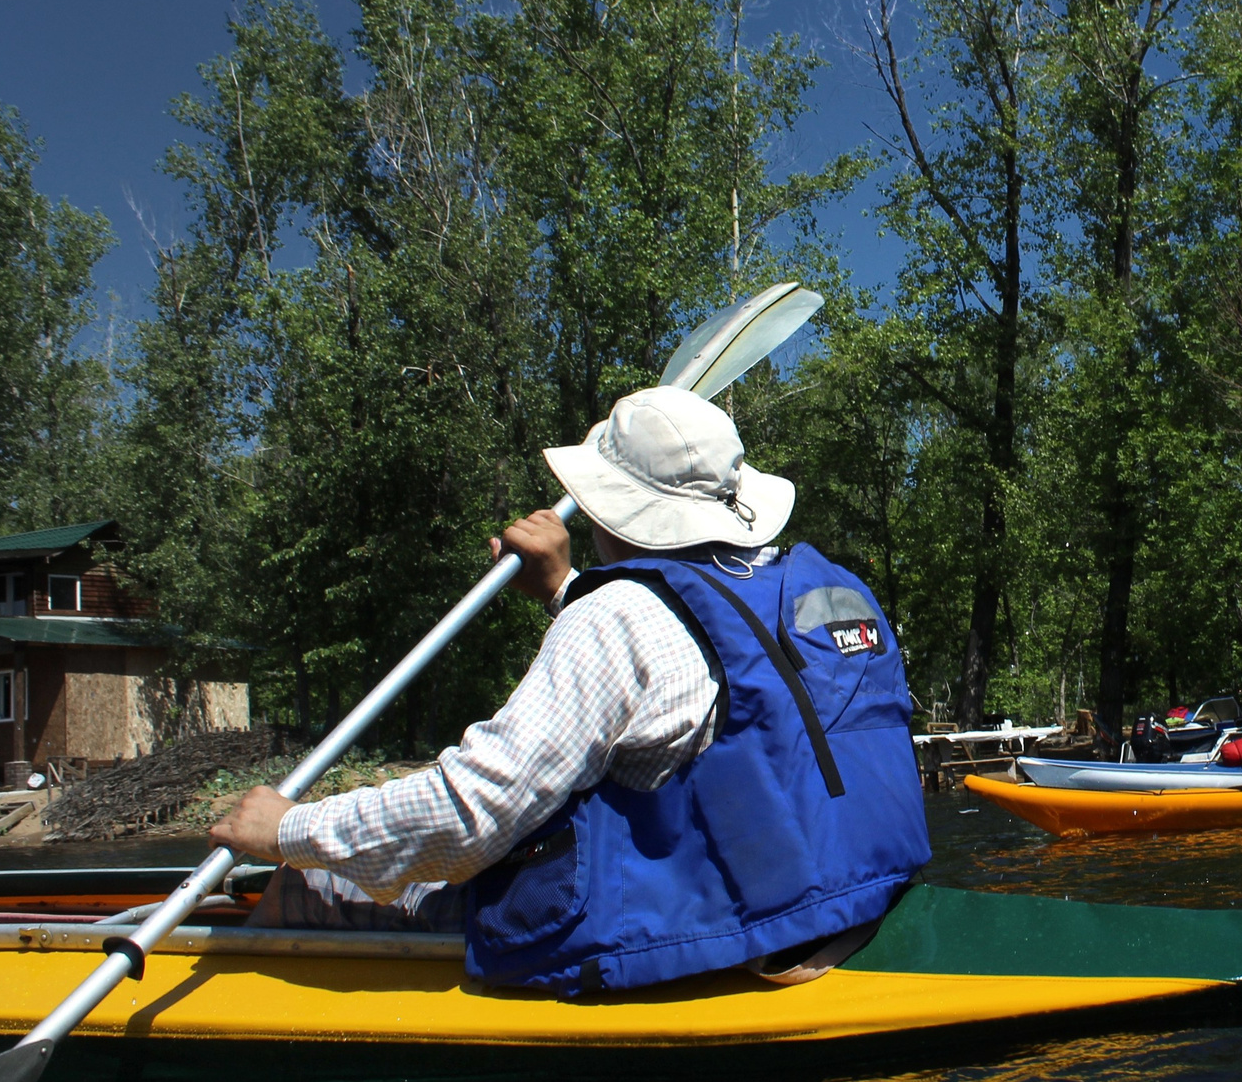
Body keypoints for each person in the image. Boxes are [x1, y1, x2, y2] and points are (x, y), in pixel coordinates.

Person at [209, 385, 932, 994]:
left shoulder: (615, 618)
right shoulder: (806, 590)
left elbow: (470, 815)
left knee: (311, 885)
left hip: (710, 938)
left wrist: (286, 830)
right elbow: (684, 672)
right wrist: (562, 588)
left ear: (610, 508)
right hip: (847, 907)